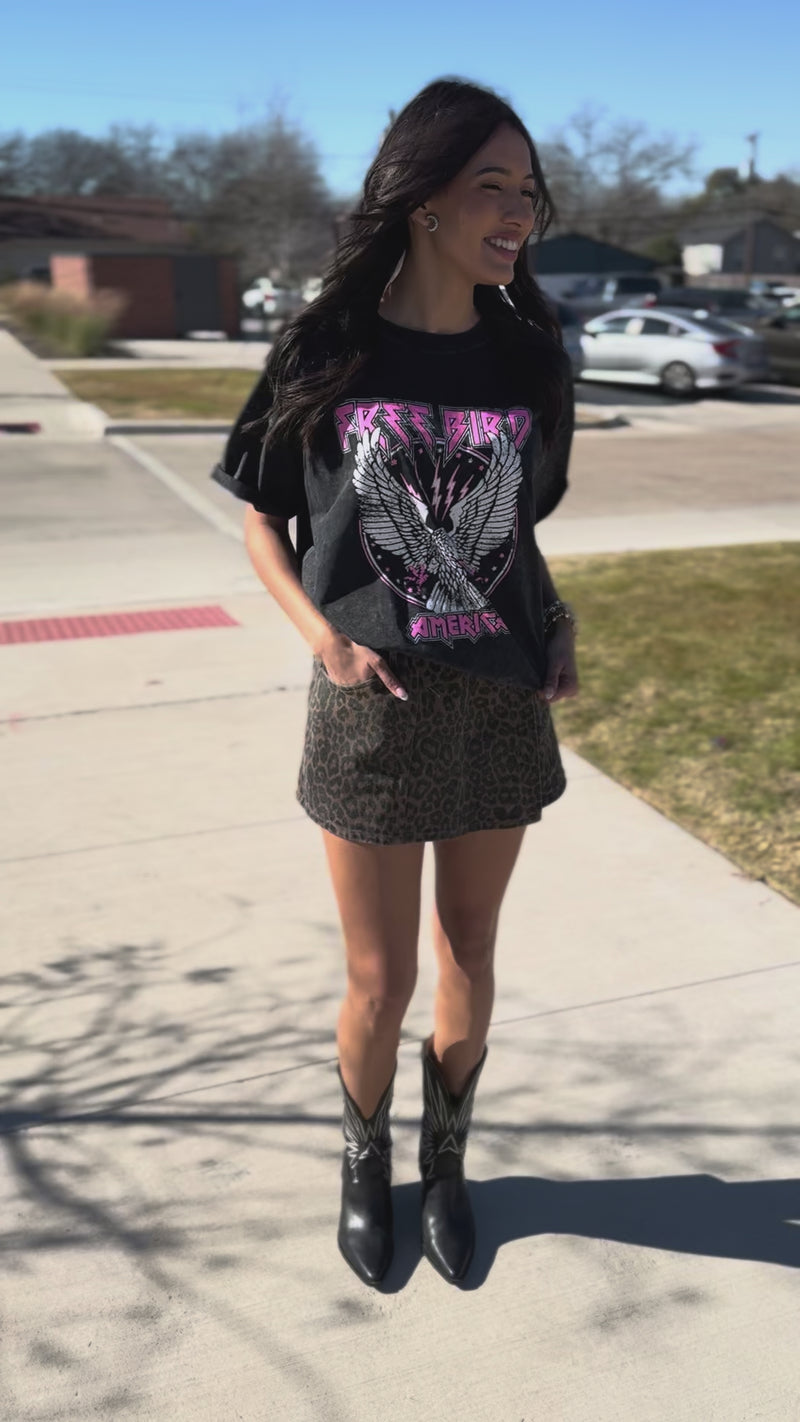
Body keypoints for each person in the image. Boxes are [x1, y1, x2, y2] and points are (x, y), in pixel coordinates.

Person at [210, 77, 579, 1289]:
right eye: (491, 186)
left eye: (526, 191)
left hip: (496, 699)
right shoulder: (327, 346)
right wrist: (324, 639)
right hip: (371, 707)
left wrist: (554, 623)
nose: (516, 211)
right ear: (420, 198)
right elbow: (263, 522)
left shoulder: (530, 356)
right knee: (382, 976)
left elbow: (520, 535)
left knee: (471, 946)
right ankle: (365, 1163)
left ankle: (448, 1161)